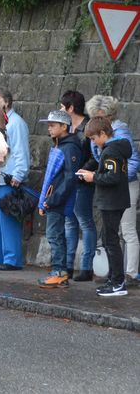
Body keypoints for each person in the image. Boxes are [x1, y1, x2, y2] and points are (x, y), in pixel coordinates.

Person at [84, 95, 140, 285]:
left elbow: (131, 163)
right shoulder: (102, 134)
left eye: (101, 116)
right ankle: (116, 274)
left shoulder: (119, 133)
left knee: (127, 230)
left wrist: (116, 179)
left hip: (124, 184)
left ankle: (130, 273)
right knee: (113, 234)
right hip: (112, 183)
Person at [78, 116, 132, 296]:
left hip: (112, 201)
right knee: (109, 239)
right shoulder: (115, 149)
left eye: (94, 138)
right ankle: (114, 280)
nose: (94, 143)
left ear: (103, 133)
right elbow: (110, 173)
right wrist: (93, 173)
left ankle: (118, 283)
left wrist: (93, 177)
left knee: (111, 241)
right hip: (113, 200)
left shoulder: (111, 152)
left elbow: (112, 177)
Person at [37, 110, 82, 288]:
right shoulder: (59, 144)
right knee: (55, 235)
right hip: (53, 198)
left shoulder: (69, 147)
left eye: (53, 125)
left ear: (64, 127)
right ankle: (60, 272)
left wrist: (52, 199)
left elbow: (70, 178)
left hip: (58, 201)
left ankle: (59, 272)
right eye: (48, 125)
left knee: (55, 236)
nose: (49, 128)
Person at [0, 89, 30, 271]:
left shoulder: (16, 123)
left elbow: (21, 151)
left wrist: (19, 174)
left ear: (5, 103)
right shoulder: (0, 123)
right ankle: (0, 255)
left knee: (8, 219)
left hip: (10, 177)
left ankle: (12, 258)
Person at [60, 90, 97, 281]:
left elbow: (95, 156)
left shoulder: (88, 126)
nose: (60, 109)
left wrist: (81, 172)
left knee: (84, 221)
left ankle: (86, 266)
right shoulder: (66, 126)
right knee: (69, 222)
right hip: (68, 180)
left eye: (62, 106)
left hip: (82, 180)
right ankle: (68, 265)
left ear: (71, 108)